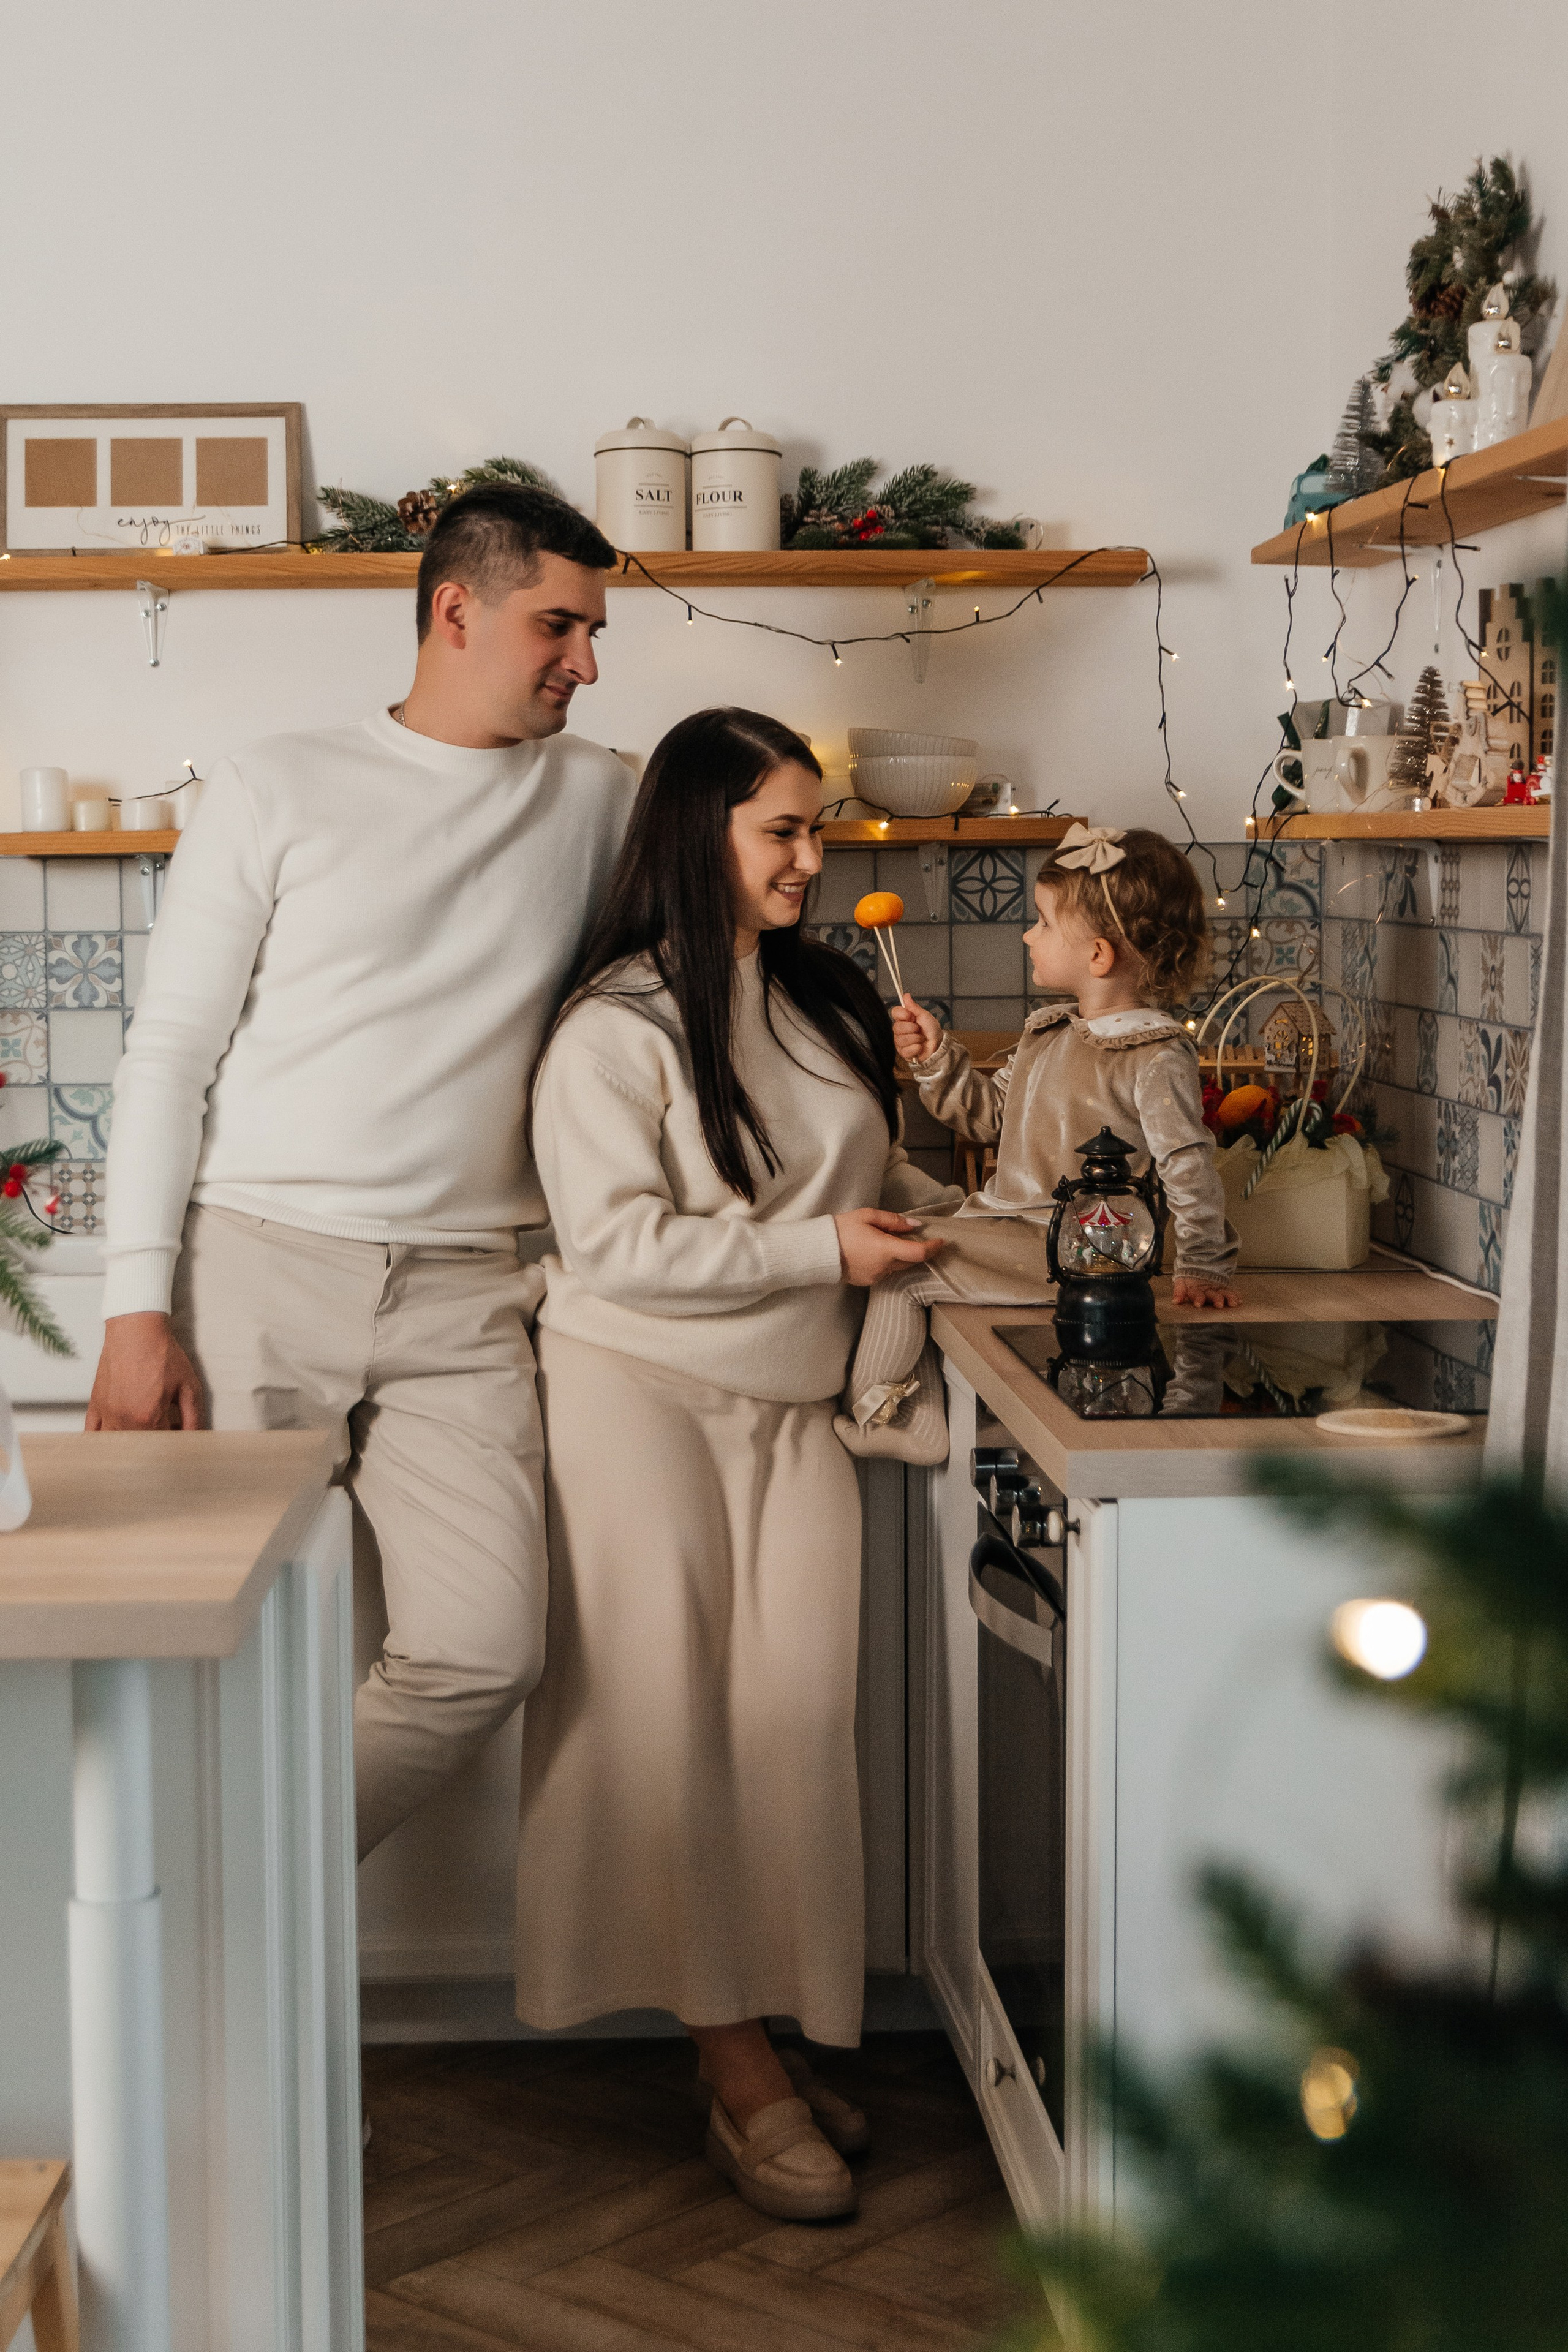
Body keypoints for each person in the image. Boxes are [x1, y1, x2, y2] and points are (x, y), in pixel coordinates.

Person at [86, 484, 636, 1859]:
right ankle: (173, 2010)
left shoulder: (604, 799)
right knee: (186, 1642)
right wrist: (134, 1309)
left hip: (468, 1293)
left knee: (484, 1648)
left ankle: (235, 1891)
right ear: (455, 608)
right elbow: (168, 1055)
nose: (585, 659)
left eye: (594, 630)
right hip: (254, 1269)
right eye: (558, 625)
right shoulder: (274, 782)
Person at [519, 707, 952, 2220]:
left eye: (815, 827)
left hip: (789, 1399)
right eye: (782, 828)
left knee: (786, 1721)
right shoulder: (613, 1026)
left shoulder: (820, 992)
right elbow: (616, 1244)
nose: (811, 857)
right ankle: (737, 2070)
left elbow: (871, 1173)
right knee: (667, 1727)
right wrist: (818, 1248)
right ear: (695, 830)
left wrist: (962, 1191)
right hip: (635, 1391)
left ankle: (748, 2034)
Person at [838, 821, 1240, 1463]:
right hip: (1013, 1226)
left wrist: (1202, 1261)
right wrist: (936, 1058)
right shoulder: (1048, 1032)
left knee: (895, 1271)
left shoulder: (1153, 1054)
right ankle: (917, 1413)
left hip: (1075, 1257)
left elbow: (1187, 1164)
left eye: (1043, 923)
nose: (1029, 934)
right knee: (900, 1235)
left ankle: (886, 1416)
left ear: (1098, 955)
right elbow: (990, 1120)